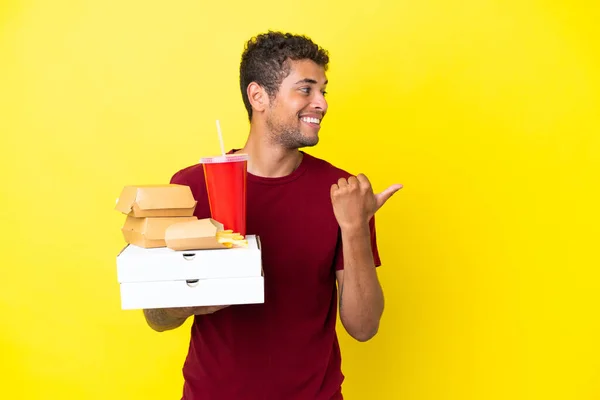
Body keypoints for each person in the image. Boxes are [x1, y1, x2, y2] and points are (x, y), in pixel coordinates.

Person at [143, 31, 402, 400]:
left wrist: (355, 227)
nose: (322, 104)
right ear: (258, 96)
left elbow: (363, 326)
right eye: (306, 89)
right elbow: (156, 317)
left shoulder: (343, 193)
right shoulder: (191, 188)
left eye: (324, 91)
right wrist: (205, 294)